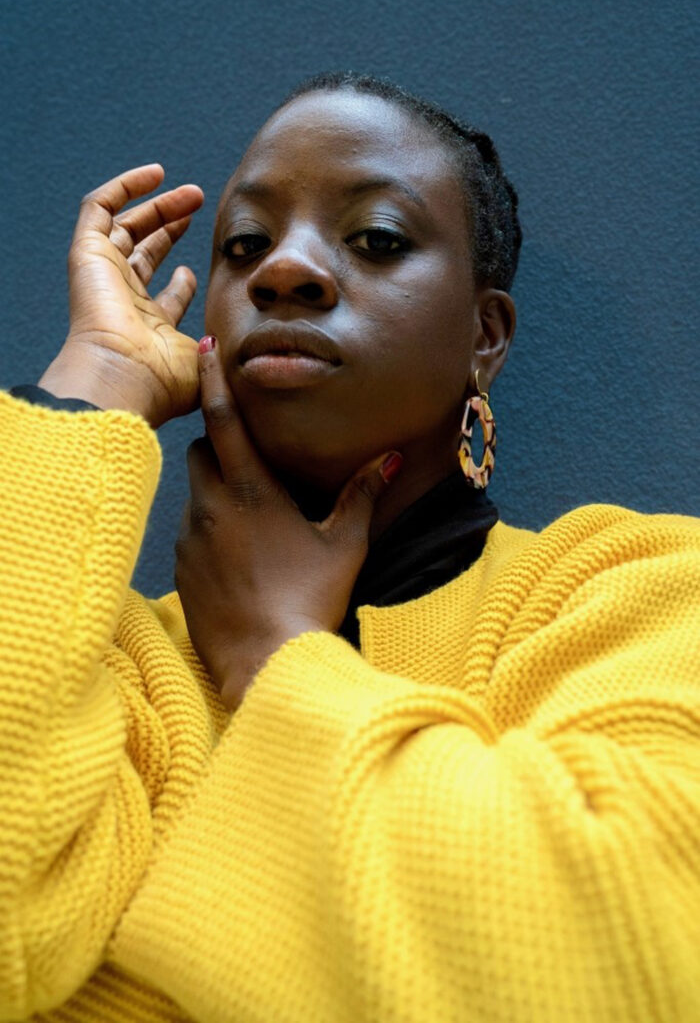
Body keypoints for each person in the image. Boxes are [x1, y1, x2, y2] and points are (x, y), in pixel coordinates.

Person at [0, 72, 698, 1023]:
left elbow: (638, 958)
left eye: (376, 239)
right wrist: (99, 376)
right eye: (244, 245)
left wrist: (270, 653)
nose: (283, 270)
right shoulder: (98, 658)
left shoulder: (636, 590)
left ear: (483, 338)